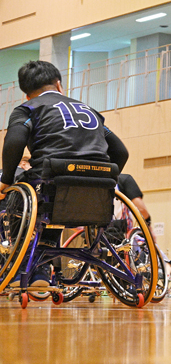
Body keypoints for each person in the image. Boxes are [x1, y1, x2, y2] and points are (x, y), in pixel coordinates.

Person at [1, 61, 129, 287]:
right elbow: (120, 151)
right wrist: (104, 180)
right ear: (59, 84)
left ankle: (27, 269)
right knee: (47, 200)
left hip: (53, 181)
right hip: (100, 188)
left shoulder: (28, 109)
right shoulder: (89, 110)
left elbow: (14, 142)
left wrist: (5, 180)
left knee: (18, 195)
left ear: (26, 92)